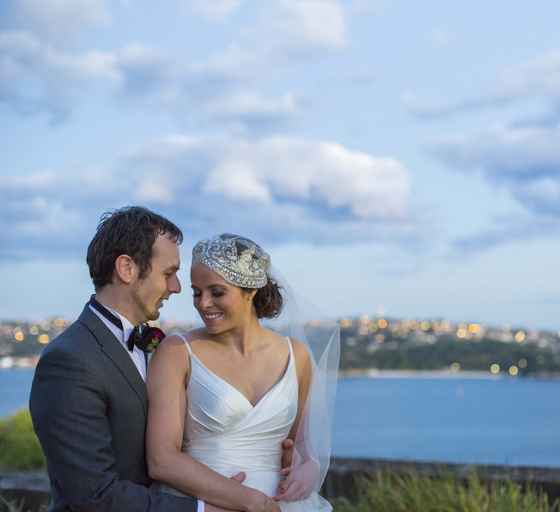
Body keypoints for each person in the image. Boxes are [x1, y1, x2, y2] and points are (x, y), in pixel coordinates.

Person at [29, 207, 289, 512]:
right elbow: (93, 496)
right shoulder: (69, 361)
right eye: (168, 273)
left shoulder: (156, 347)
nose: (176, 287)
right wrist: (202, 509)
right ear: (126, 269)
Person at [146, 234, 339, 512]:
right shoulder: (177, 352)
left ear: (250, 291)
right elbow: (161, 458)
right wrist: (247, 500)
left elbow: (301, 443)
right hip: (209, 505)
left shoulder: (296, 356)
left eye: (216, 292)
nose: (203, 303)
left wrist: (310, 465)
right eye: (197, 292)